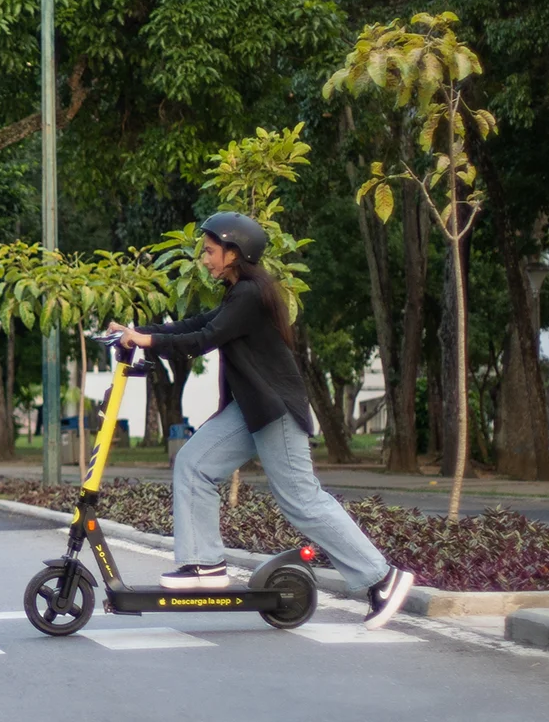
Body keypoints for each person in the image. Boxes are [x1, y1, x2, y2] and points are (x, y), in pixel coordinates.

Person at [106, 212, 418, 630]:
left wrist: (147, 341)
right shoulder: (237, 295)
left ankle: (382, 578)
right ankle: (203, 566)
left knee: (302, 500)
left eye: (211, 252)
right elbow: (198, 324)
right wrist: (135, 330)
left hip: (274, 410)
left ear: (235, 254)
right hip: (250, 409)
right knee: (194, 464)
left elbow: (202, 341)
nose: (205, 259)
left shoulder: (251, 295)